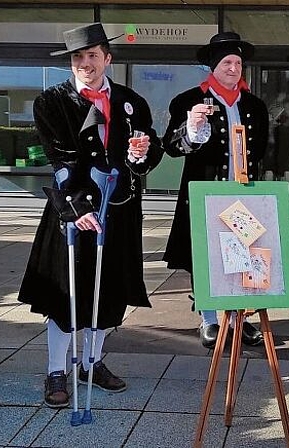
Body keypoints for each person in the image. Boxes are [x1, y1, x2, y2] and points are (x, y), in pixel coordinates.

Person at [18, 23, 163, 408]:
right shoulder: (51, 102)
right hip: (73, 212)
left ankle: (92, 363)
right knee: (66, 296)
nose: (85, 63)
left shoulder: (132, 101)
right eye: (78, 57)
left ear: (107, 59)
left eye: (92, 56)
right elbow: (62, 160)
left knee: (108, 292)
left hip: (118, 212)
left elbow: (148, 155)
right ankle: (55, 370)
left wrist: (140, 153)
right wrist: (79, 209)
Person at [163, 32, 269, 349]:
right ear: (214, 67)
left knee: (242, 257)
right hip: (204, 195)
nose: (233, 68)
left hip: (243, 195)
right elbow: (171, 147)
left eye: (237, 62)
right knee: (205, 258)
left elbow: (262, 150)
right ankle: (209, 319)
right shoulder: (187, 101)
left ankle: (239, 319)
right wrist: (192, 129)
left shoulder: (254, 105)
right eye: (227, 62)